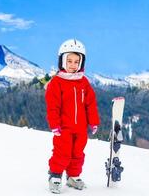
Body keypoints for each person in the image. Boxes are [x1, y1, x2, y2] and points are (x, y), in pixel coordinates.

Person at [45, 39, 100, 194]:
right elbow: (53, 106)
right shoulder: (56, 82)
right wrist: (54, 124)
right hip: (64, 128)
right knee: (62, 152)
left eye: (76, 61)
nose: (72, 65)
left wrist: (93, 122)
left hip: (81, 128)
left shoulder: (83, 82)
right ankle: (55, 176)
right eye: (69, 61)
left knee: (78, 153)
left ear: (81, 63)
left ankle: (73, 176)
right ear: (62, 61)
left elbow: (90, 104)